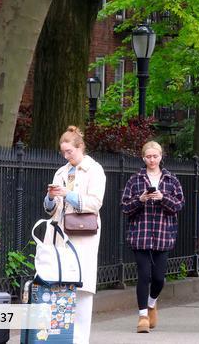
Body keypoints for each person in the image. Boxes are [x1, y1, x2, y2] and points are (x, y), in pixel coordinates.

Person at [45, 126, 106, 344]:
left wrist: (68, 195)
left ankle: (80, 340)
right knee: (59, 286)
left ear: (80, 148)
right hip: (59, 235)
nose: (66, 156)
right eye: (63, 153)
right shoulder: (61, 172)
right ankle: (59, 337)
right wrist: (51, 198)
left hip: (83, 236)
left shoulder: (94, 170)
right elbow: (51, 209)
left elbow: (95, 202)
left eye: (69, 151)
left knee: (81, 290)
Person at [121, 141, 185, 333]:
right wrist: (139, 200)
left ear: (161, 156)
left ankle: (151, 303)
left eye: (155, 156)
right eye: (148, 157)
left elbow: (179, 205)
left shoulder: (171, 180)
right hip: (140, 234)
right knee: (144, 275)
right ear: (143, 158)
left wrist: (162, 197)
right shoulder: (135, 180)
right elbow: (124, 207)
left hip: (163, 234)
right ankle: (142, 317)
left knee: (158, 278)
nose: (152, 160)